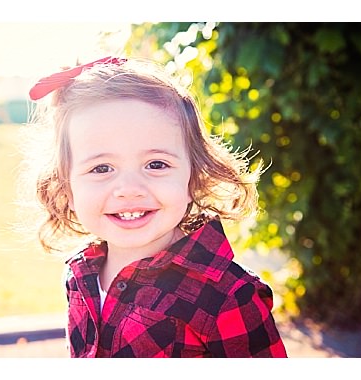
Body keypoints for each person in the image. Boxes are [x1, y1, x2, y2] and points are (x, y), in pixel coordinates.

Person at [22, 56, 286, 357]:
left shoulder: (227, 297)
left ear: (193, 178)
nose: (129, 190)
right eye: (101, 168)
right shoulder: (81, 275)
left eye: (156, 164)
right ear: (67, 187)